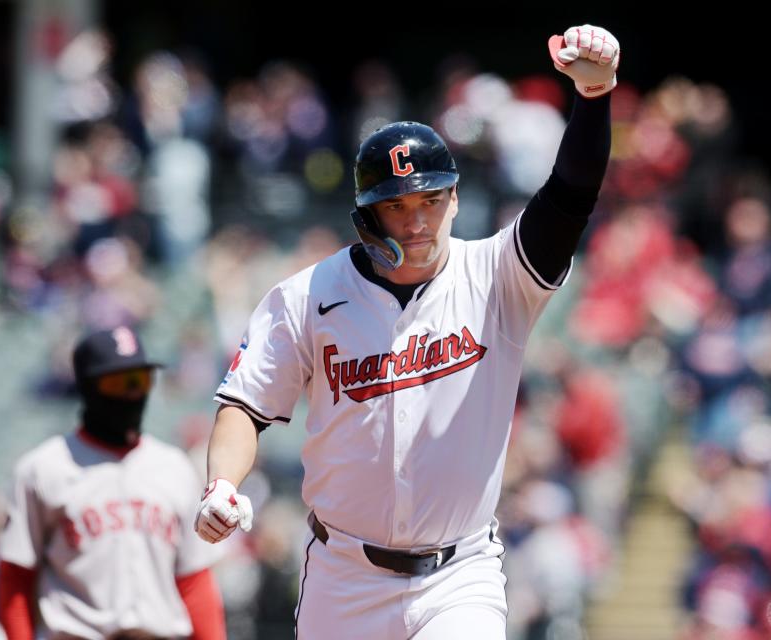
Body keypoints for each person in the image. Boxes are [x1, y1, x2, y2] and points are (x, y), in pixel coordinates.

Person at [194, 24, 620, 639]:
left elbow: (571, 196)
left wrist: (594, 96)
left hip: (460, 574)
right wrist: (222, 484)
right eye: (397, 205)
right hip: (342, 574)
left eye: (430, 200)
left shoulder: (498, 276)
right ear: (367, 213)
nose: (417, 220)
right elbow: (245, 405)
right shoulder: (306, 296)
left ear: (453, 199)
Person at [0, 326, 227, 640]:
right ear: (88, 386)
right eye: (119, 382)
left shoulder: (175, 467)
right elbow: (16, 579)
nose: (133, 393)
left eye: (141, 380)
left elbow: (194, 581)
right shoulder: (43, 469)